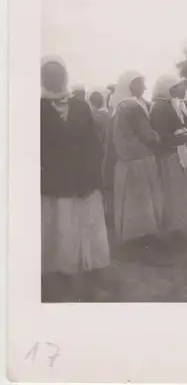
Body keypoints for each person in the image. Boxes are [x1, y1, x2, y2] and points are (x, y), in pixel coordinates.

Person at [41, 57, 110, 302]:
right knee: (61, 227)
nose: (54, 79)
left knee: (88, 225)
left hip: (84, 179)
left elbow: (94, 143)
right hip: (56, 182)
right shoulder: (36, 107)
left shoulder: (80, 105)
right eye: (48, 74)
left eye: (58, 74)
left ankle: (92, 270)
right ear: (41, 78)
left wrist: (94, 173)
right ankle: (63, 274)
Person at [111, 71, 163, 247]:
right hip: (140, 159)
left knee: (130, 202)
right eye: (141, 84)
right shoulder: (132, 106)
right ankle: (144, 239)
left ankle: (132, 239)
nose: (145, 87)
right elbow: (147, 135)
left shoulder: (119, 105)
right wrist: (156, 136)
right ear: (131, 85)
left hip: (126, 159)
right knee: (143, 201)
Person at [150, 75, 187, 235]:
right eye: (178, 86)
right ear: (170, 88)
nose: (182, 88)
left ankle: (176, 228)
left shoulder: (164, 104)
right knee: (173, 194)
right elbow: (163, 136)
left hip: (173, 152)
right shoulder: (161, 107)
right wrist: (184, 137)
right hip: (170, 155)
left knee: (175, 193)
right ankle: (173, 230)